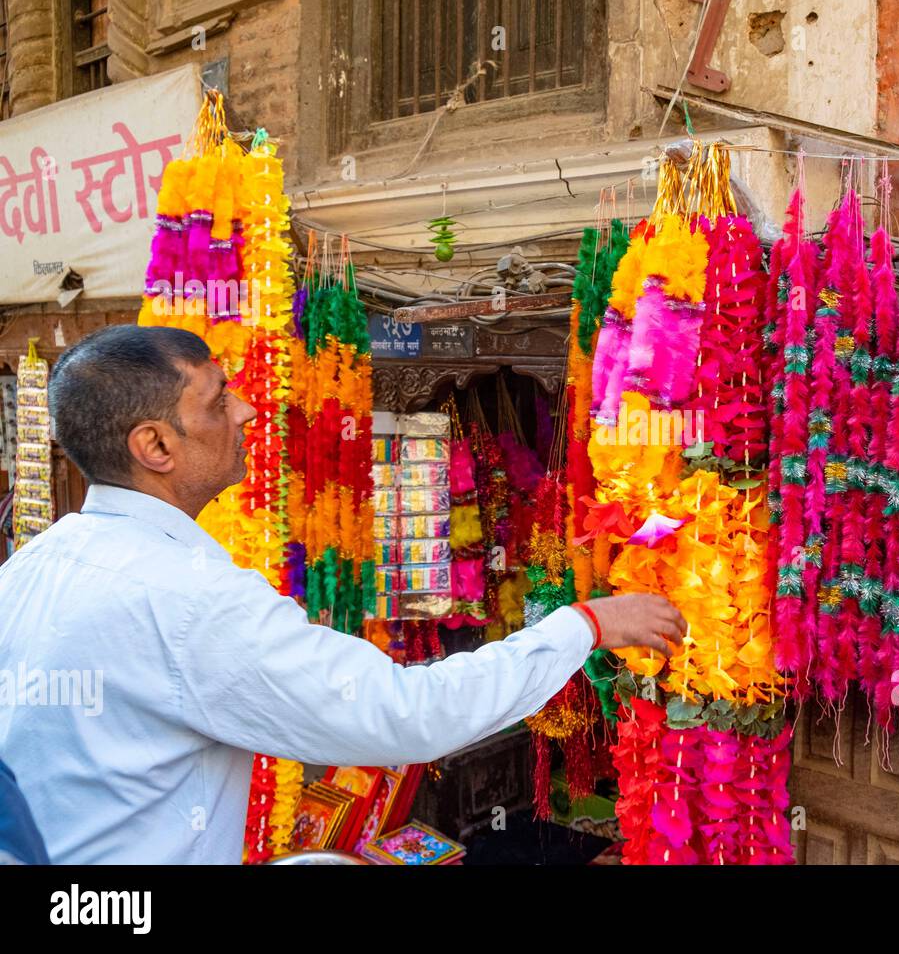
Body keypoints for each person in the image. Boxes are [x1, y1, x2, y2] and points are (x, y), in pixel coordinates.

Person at [0, 325, 684, 864]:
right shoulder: (186, 601)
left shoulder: (30, 571)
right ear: (155, 445)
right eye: (215, 402)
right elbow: (406, 715)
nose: (245, 408)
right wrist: (585, 625)